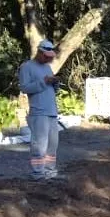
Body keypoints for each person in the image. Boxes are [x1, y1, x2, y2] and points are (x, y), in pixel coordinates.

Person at [18, 39, 62, 180]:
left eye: (50, 57)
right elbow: (24, 88)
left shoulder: (47, 68)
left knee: (52, 144)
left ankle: (50, 171)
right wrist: (43, 82)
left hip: (51, 111)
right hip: (38, 111)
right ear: (39, 52)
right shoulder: (27, 67)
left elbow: (51, 89)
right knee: (40, 144)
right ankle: (37, 173)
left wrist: (55, 83)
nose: (48, 59)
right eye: (46, 56)